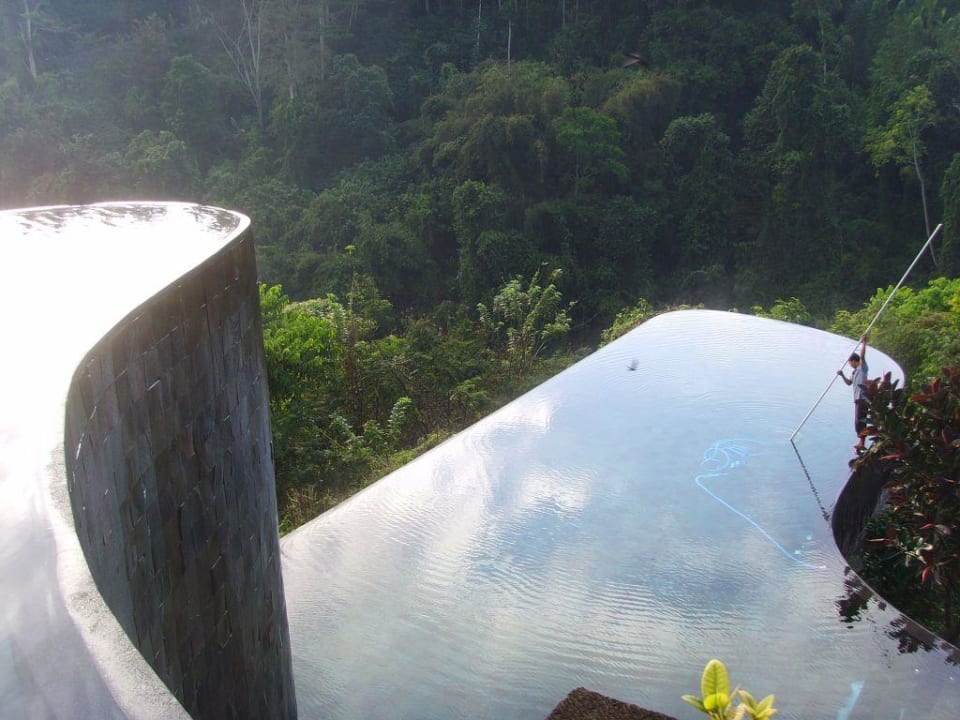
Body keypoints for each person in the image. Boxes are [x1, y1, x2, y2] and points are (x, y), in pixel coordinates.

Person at [837, 334, 869, 452]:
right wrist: (842, 375)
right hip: (857, 399)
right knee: (858, 421)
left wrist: (864, 343)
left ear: (854, 361)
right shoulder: (854, 372)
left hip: (863, 398)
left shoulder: (862, 368)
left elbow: (862, 356)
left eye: (850, 362)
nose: (850, 364)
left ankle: (861, 442)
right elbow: (849, 383)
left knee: (860, 420)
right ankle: (861, 441)